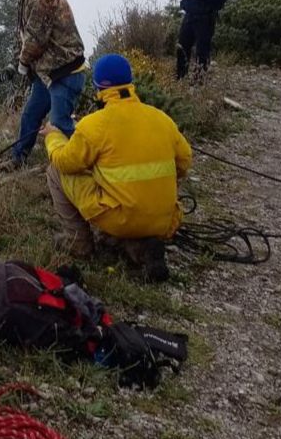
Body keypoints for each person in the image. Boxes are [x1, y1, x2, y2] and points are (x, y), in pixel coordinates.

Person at [41, 54, 192, 281]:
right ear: (130, 83)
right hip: (165, 220)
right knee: (121, 191)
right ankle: (138, 247)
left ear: (98, 88)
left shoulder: (94, 125)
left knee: (55, 171)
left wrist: (53, 137)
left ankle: (78, 242)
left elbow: (64, 162)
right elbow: (184, 162)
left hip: (120, 218)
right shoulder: (162, 119)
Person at [0, 0, 87, 169]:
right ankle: (18, 160)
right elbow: (26, 38)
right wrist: (13, 65)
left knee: (61, 124)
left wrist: (22, 65)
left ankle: (91, 160)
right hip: (49, 73)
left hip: (65, 72)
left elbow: (36, 38)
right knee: (31, 115)